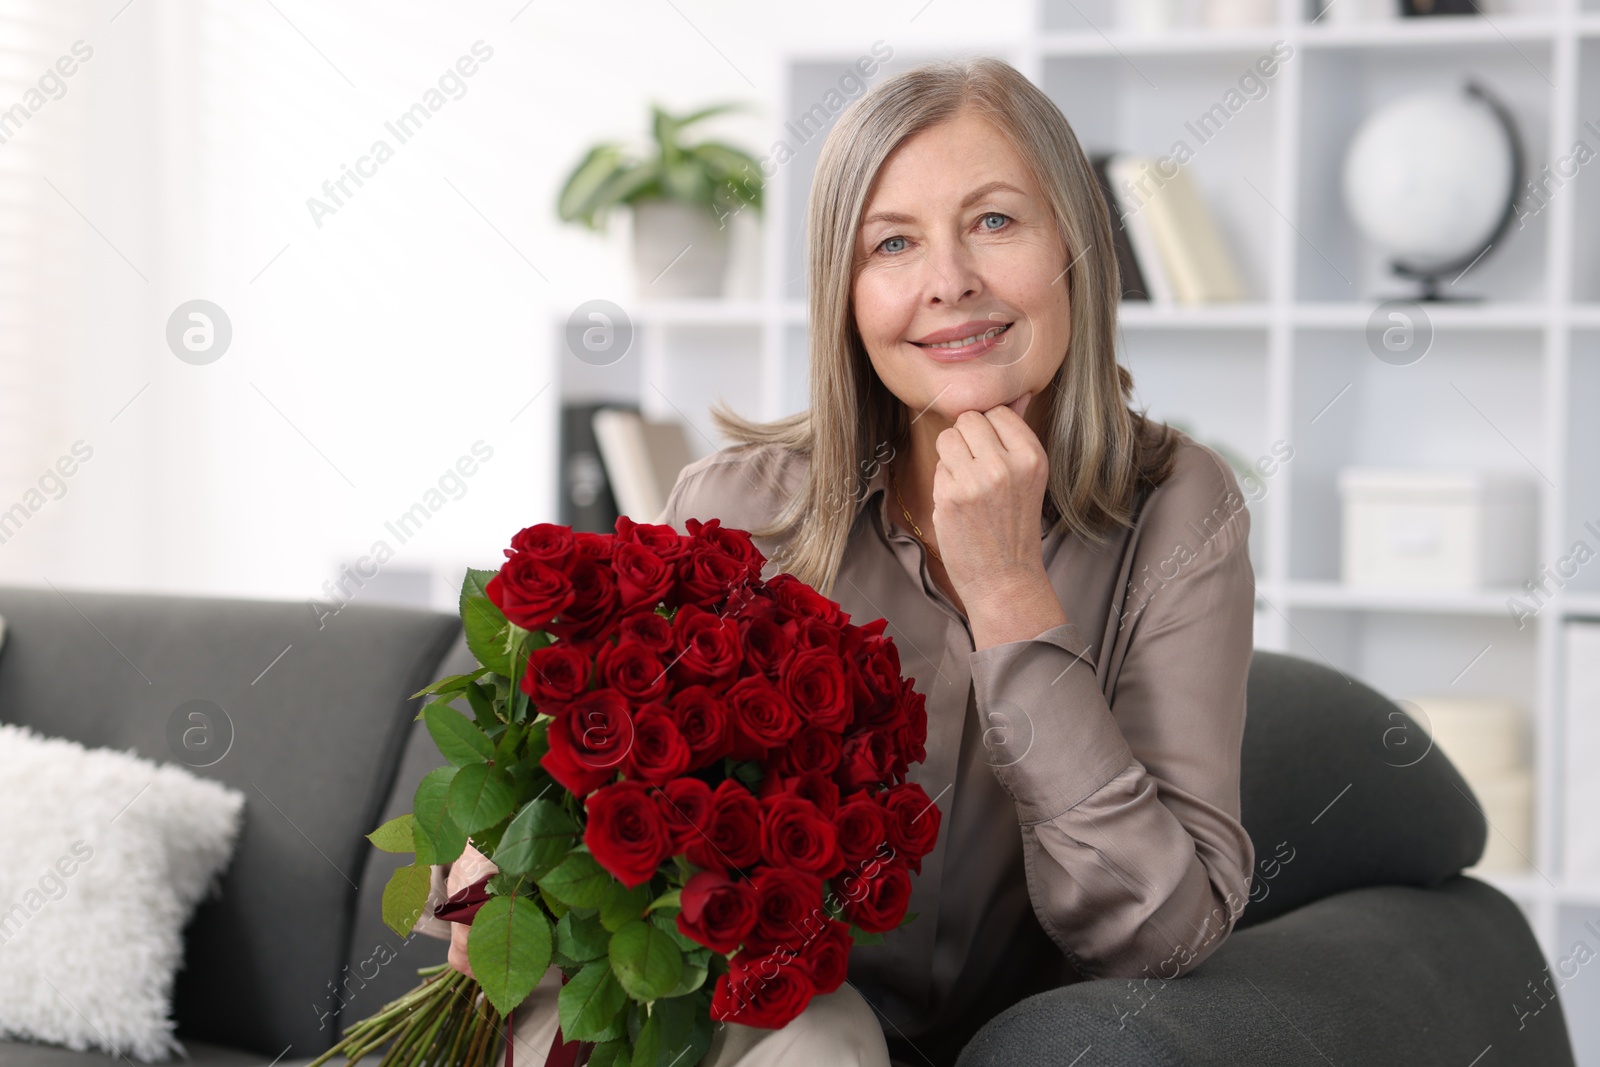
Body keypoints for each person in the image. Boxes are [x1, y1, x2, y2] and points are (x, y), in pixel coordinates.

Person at [416, 53, 1257, 1067]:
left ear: (1075, 245)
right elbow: (594, 810)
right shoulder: (739, 506)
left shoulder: (1177, 510)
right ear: (846, 297)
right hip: (730, 1012)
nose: (949, 281)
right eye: (892, 242)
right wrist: (504, 859)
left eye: (995, 221)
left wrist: (1009, 596)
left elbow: (1161, 931)